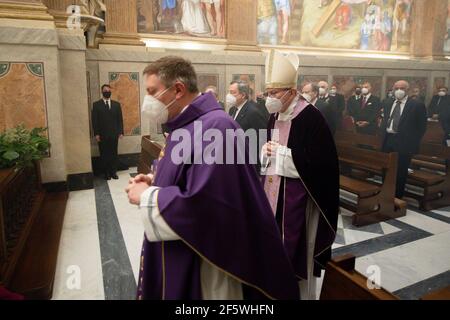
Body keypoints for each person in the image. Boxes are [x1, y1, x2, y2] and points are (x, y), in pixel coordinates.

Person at [127, 56, 299, 300]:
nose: (147, 101)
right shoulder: (186, 124)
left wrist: (147, 196)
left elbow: (209, 205)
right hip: (183, 248)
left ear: (177, 90)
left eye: (152, 91)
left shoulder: (217, 127)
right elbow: (189, 172)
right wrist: (155, 179)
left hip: (205, 264)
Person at [262, 50, 339, 300]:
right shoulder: (274, 116)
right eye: (268, 93)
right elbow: (270, 150)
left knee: (295, 250)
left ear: (292, 92)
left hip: (299, 198)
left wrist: (283, 154)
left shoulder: (311, 118)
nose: (270, 98)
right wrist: (266, 152)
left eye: (275, 93)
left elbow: (321, 164)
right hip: (273, 190)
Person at [380, 80, 427, 198]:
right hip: (388, 139)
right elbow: (386, 119)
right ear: (393, 89)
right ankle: (386, 193)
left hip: (404, 142)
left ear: (408, 90)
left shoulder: (416, 105)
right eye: (396, 88)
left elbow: (421, 127)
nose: (399, 91)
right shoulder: (388, 102)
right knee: (386, 168)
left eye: (402, 88)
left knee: (401, 171)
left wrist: (412, 142)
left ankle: (397, 197)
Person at [92, 84, 124, 180]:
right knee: (104, 154)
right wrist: (96, 134)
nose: (107, 92)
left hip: (114, 134)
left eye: (109, 90)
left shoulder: (116, 105)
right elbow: (94, 120)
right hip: (102, 135)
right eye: (105, 90)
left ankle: (113, 172)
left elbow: (120, 120)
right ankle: (106, 173)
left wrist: (121, 132)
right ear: (102, 92)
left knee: (114, 153)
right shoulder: (96, 105)